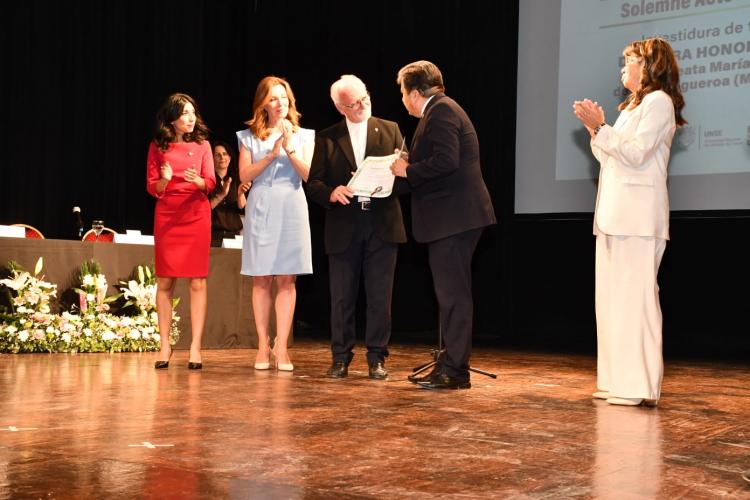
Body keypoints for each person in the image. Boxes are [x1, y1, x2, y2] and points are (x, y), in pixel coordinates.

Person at [573, 37, 686, 406]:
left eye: (630, 60)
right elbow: (609, 156)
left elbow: (636, 154)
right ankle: (616, 381)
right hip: (614, 215)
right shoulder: (633, 105)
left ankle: (639, 386)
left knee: (635, 300)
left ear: (649, 67)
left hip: (637, 217)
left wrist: (602, 126)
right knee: (610, 302)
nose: (623, 66)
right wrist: (596, 129)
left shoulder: (658, 103)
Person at [390, 61, 496, 390]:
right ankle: (451, 363)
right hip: (454, 217)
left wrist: (407, 170)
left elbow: (446, 161)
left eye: (403, 92)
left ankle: (454, 370)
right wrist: (406, 167)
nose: (403, 99)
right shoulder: (438, 112)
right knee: (452, 295)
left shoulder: (441, 112)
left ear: (416, 92)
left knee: (454, 297)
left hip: (454, 218)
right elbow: (438, 162)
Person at [307, 75, 407, 380]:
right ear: (340, 107)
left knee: (380, 297)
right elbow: (313, 183)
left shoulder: (390, 129)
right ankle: (341, 357)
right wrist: (331, 193)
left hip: (382, 222)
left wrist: (391, 179)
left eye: (364, 98)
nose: (361, 106)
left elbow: (408, 175)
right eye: (353, 104)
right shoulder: (327, 137)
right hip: (344, 224)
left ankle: (377, 358)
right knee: (342, 297)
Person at [237, 76, 314, 372]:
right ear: (263, 104)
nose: (279, 103)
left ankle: (281, 346)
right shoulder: (248, 136)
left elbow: (308, 176)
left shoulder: (305, 135)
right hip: (262, 205)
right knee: (261, 278)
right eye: (272, 98)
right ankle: (262, 344)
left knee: (287, 278)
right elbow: (244, 176)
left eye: (283, 97)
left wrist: (290, 148)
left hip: (292, 204)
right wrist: (271, 154)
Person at [146, 92, 216, 370]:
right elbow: (152, 187)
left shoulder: (203, 146)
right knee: (165, 282)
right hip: (168, 216)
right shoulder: (157, 147)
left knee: (197, 281)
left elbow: (211, 182)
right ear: (172, 119)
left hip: (196, 215)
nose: (190, 118)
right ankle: (165, 344)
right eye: (184, 113)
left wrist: (199, 180)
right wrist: (163, 180)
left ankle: (196, 346)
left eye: (192, 112)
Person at [209, 140, 251, 247]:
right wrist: (221, 194)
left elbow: (243, 209)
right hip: (212, 236)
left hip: (234, 237)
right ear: (211, 158)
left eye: (225, 154)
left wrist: (240, 194)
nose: (222, 158)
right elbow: (205, 209)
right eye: (217, 155)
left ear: (230, 157)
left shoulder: (238, 179)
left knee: (234, 264)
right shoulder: (208, 180)